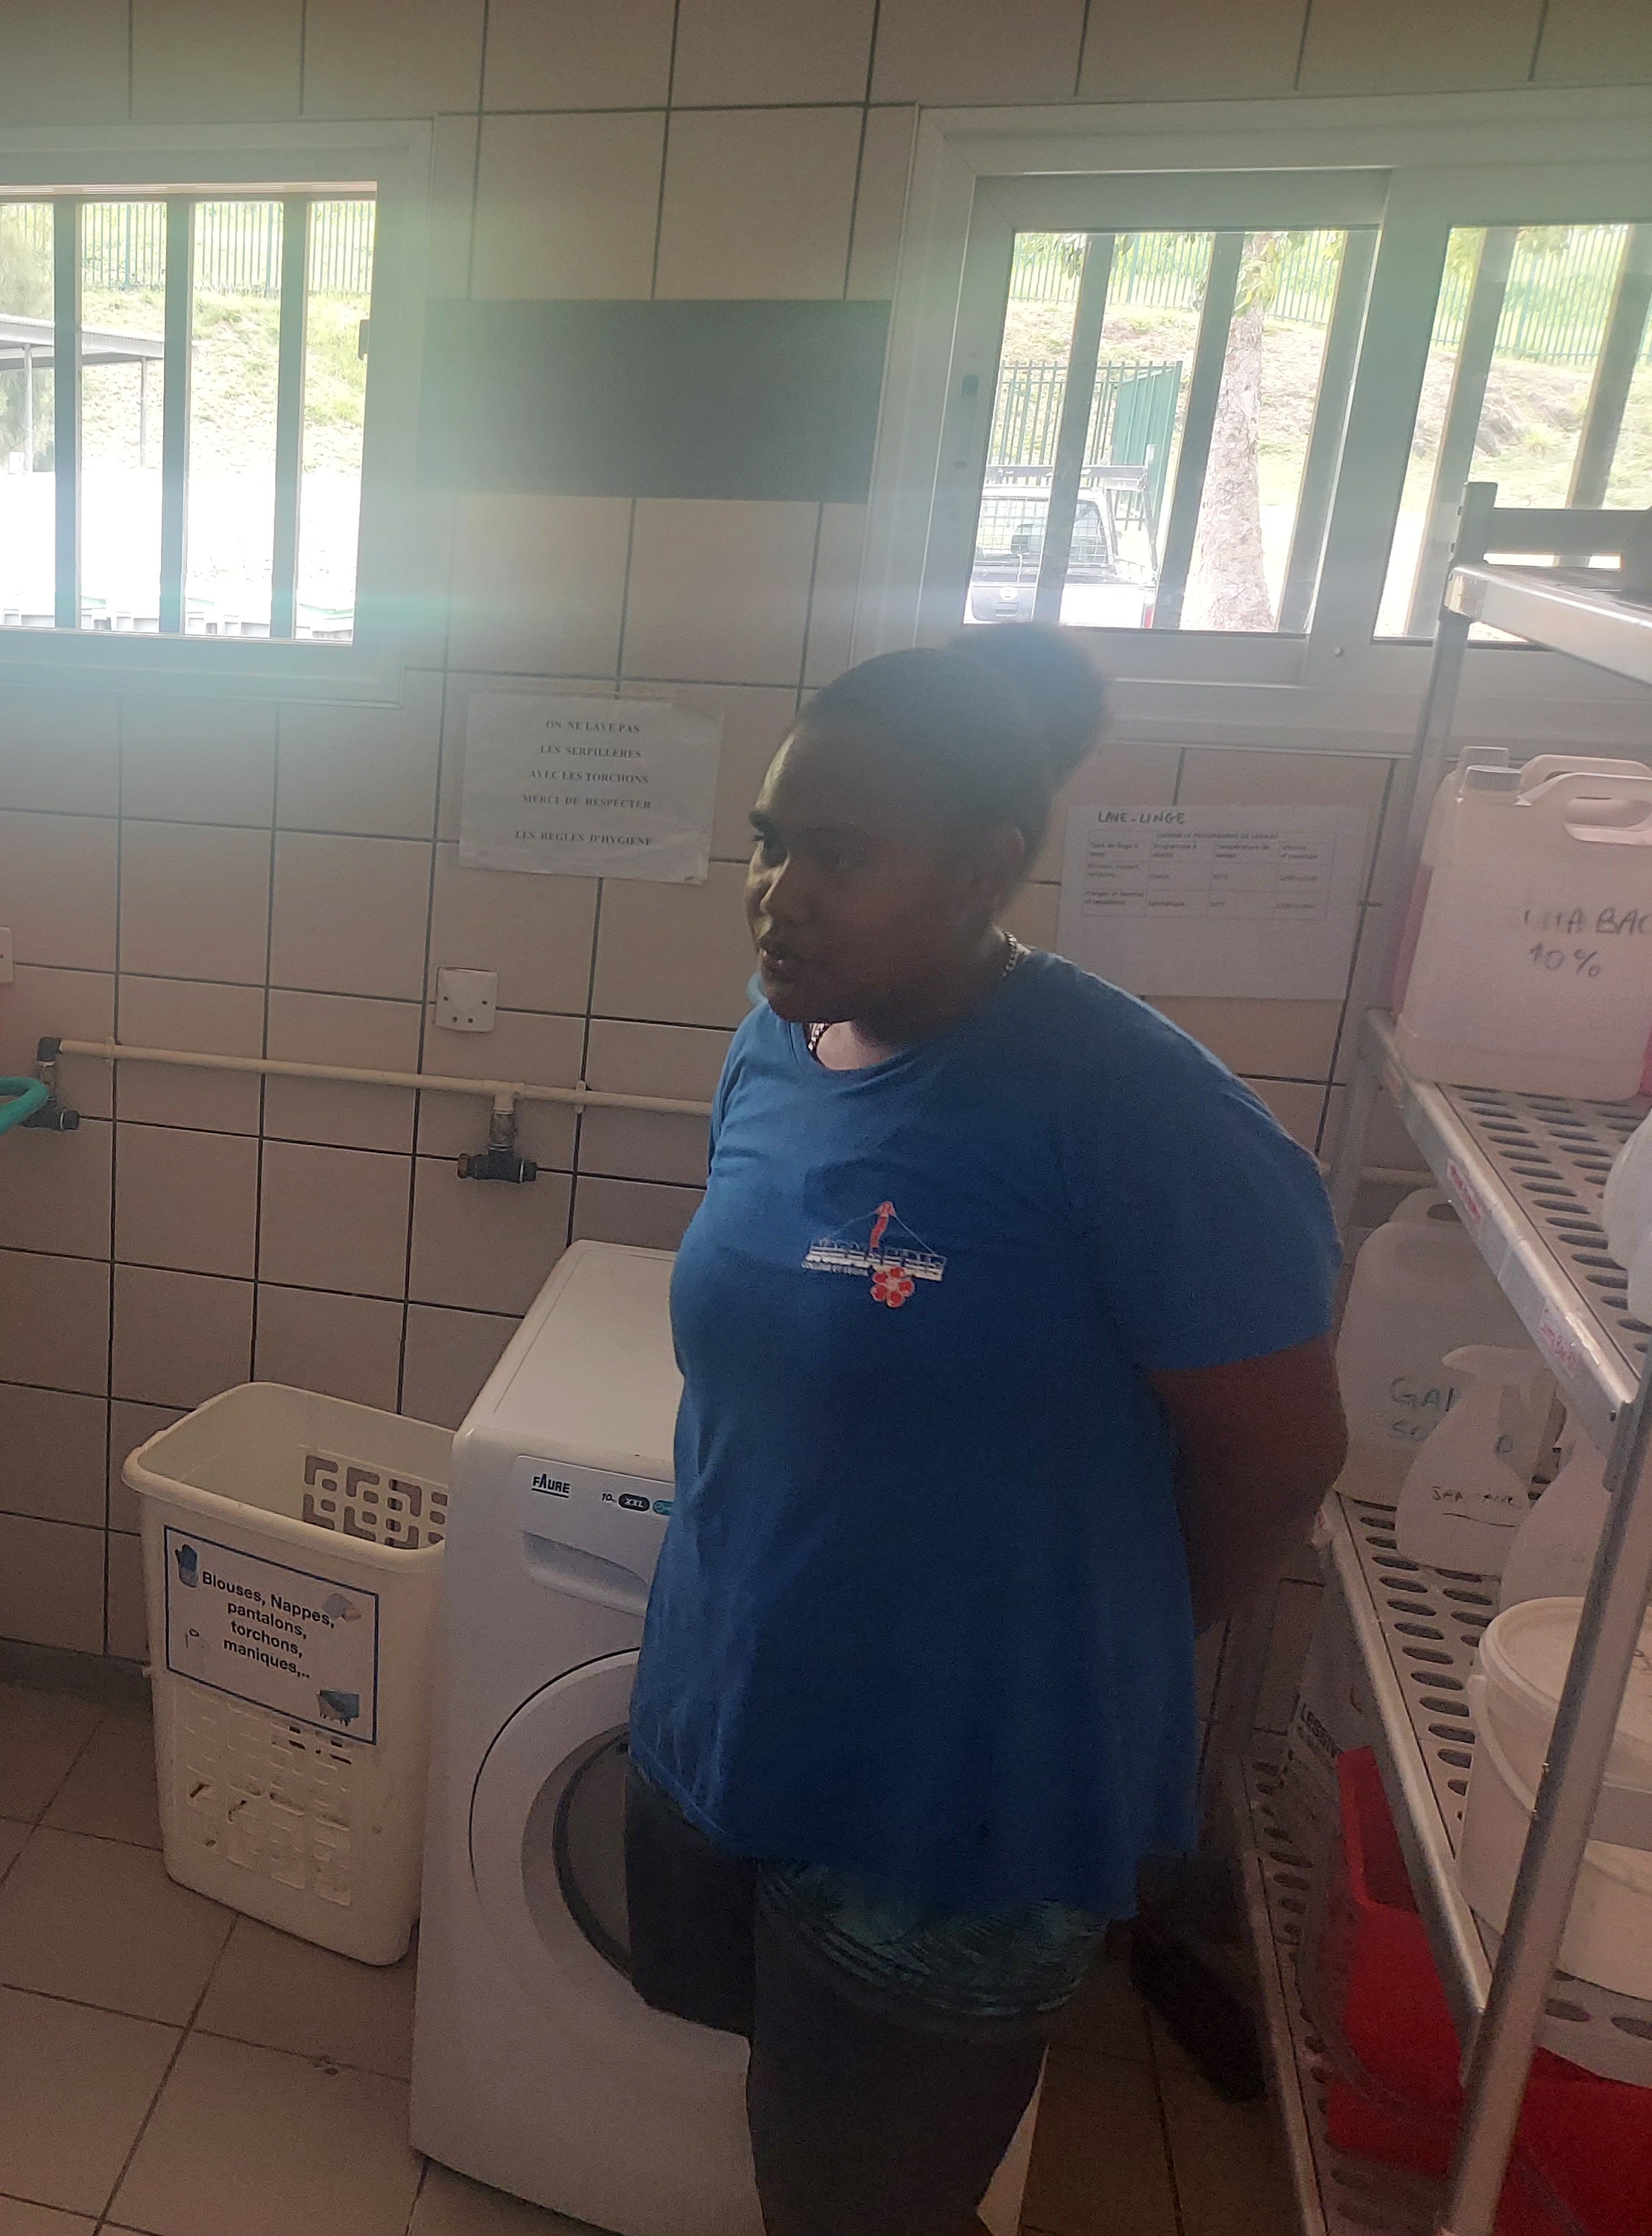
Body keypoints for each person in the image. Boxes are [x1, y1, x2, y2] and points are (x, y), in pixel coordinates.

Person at [624, 626, 1346, 2236]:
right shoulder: (778, 1041)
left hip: (955, 1796)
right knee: (800, 2140)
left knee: (862, 2201)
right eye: (768, 843)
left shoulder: (1134, 1109)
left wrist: (1075, 1648)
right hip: (737, 1709)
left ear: (984, 868)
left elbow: (1280, 1458)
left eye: (840, 854)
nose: (778, 892)